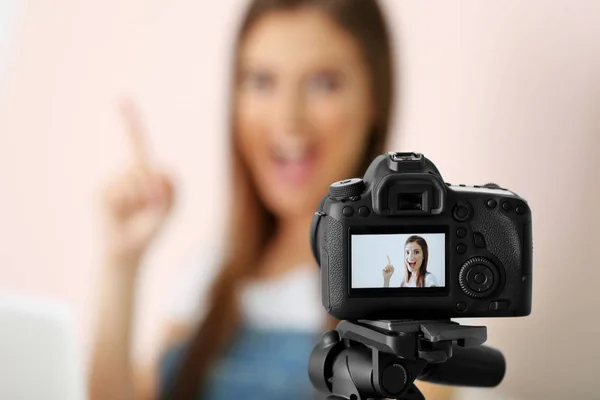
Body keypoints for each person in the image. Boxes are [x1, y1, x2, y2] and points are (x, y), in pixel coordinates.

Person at [89, 0, 453, 399]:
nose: (287, 118)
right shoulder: (210, 273)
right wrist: (121, 262)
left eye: (323, 83)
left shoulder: (407, 287)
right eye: (262, 81)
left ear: (373, 102)